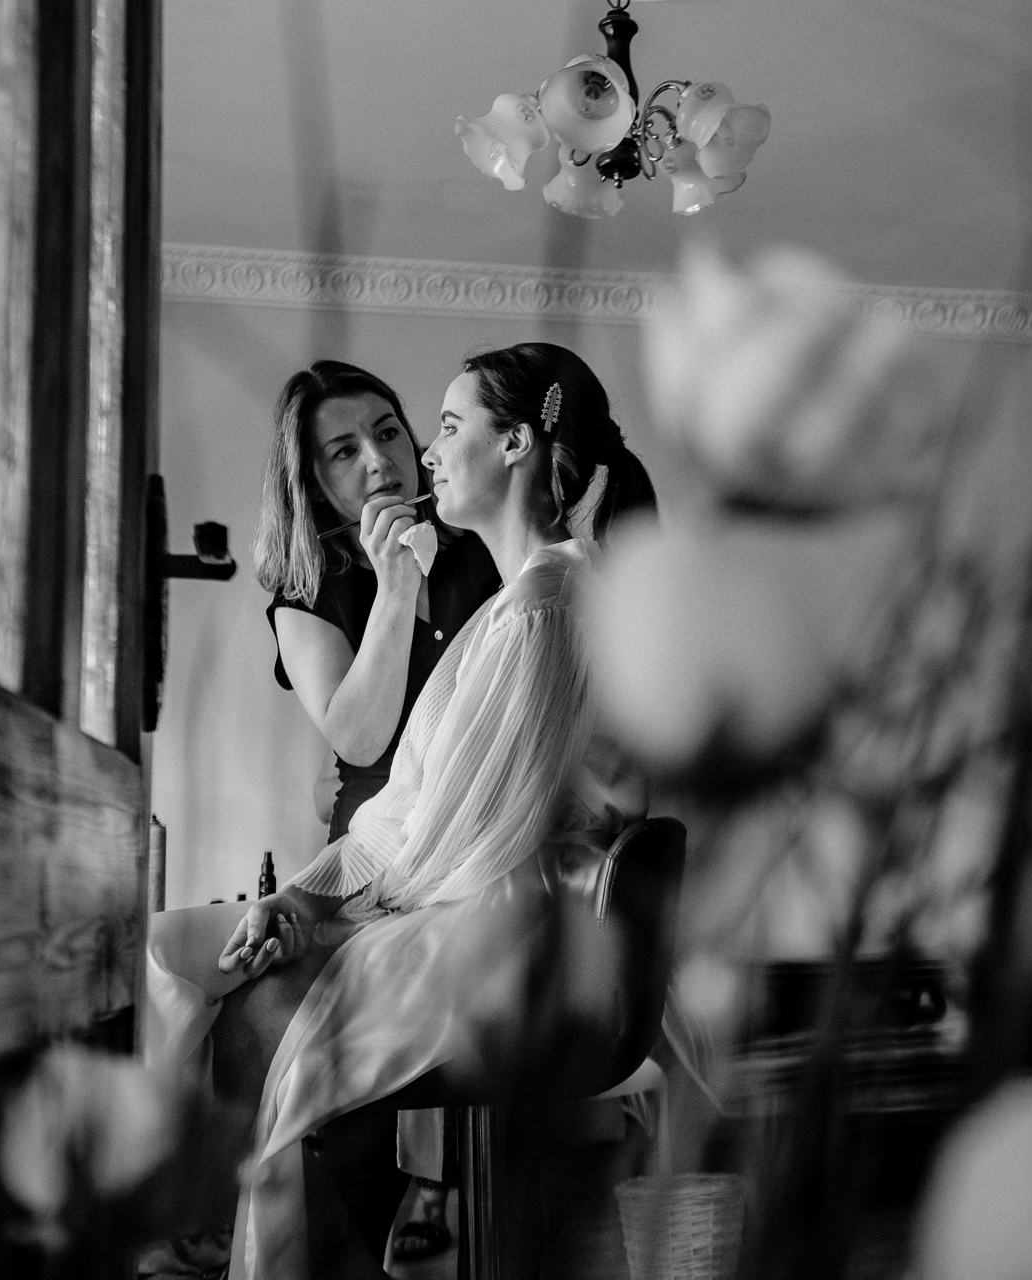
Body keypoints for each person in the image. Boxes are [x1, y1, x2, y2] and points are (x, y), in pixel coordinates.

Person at [146, 342, 656, 1280]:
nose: (407, 457)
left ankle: (274, 1228)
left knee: (260, 1019)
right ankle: (192, 1205)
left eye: (431, 428)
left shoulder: (538, 602)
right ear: (310, 477)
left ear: (514, 446)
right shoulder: (512, 595)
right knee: (183, 958)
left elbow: (473, 827)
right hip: (405, 879)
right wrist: (306, 900)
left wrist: (328, 917)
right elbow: (386, 780)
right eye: (344, 450)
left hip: (471, 909)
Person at [253, 360, 503, 1258]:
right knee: (345, 1058)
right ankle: (382, 1233)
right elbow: (359, 739)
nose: (379, 460)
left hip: (483, 842)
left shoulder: (481, 542)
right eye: (344, 450)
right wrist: (393, 585)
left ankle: (450, 1211)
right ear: (311, 477)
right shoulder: (306, 582)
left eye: (390, 431)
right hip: (374, 858)